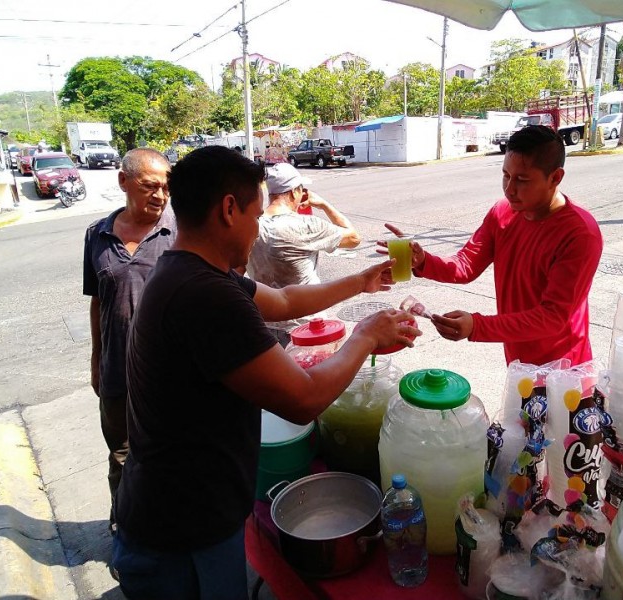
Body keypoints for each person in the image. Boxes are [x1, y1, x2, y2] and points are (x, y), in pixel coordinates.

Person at [111, 145, 417, 600]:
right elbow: (304, 399)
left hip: (174, 511)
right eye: (256, 216)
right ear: (229, 210)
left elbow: (287, 301)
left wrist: (362, 281)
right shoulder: (206, 296)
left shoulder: (188, 270)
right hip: (183, 531)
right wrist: (366, 336)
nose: (257, 231)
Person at [380, 125, 603, 367]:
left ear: (555, 178)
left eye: (522, 180)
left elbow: (552, 317)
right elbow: (466, 264)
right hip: (518, 362)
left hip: (564, 368)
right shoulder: (503, 212)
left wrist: (477, 326)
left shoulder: (580, 234)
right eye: (506, 175)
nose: (509, 189)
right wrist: (423, 261)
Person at [83, 147, 174, 533]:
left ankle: (168, 530)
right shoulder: (97, 235)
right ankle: (125, 529)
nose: (160, 195)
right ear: (124, 182)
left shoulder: (178, 231)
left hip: (167, 376)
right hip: (117, 374)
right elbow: (97, 302)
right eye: (150, 186)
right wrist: (95, 360)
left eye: (166, 188)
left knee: (169, 457)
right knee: (122, 457)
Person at [247, 162, 361, 346]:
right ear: (294, 192)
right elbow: (354, 238)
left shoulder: (252, 226)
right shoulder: (305, 226)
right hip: (306, 329)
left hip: (264, 326)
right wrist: (323, 205)